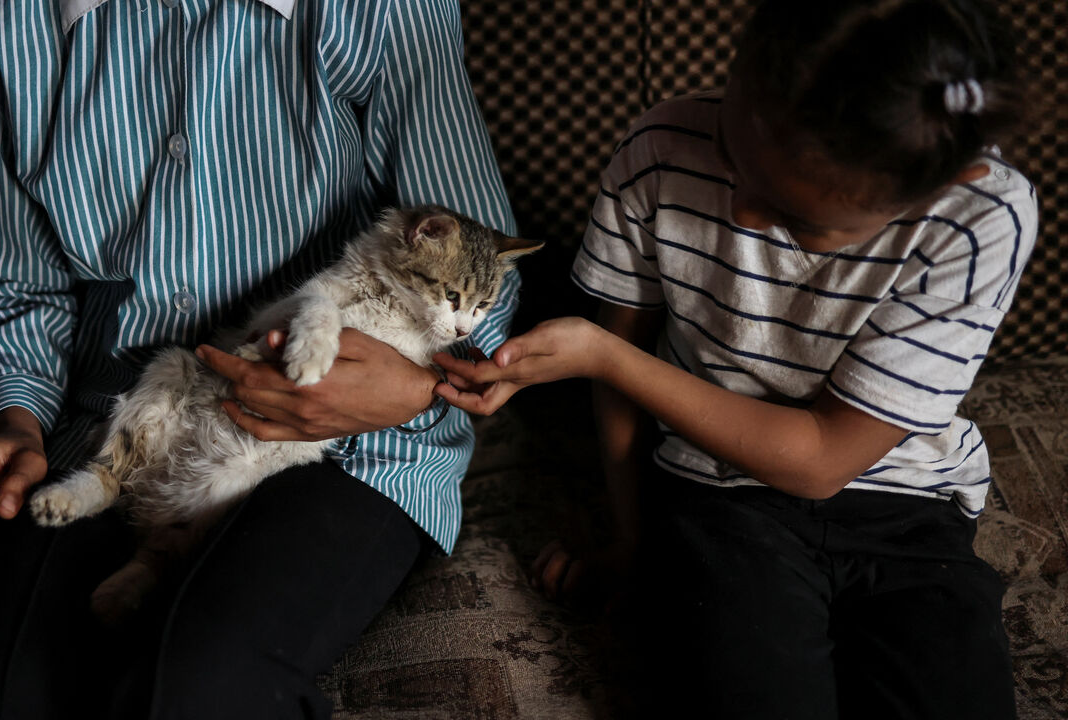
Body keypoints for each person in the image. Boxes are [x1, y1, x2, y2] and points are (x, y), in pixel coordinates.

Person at [0, 1, 519, 718]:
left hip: (359, 444)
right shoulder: (5, 17)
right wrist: (16, 422)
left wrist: (415, 391)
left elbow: (481, 272)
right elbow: (9, 283)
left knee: (201, 688)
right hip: (124, 416)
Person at [434, 0, 1036, 717]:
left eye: (798, 219)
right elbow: (621, 352)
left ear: (942, 186)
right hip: (720, 499)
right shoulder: (661, 143)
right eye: (731, 155)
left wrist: (604, 357)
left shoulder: (980, 219)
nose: (742, 214)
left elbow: (819, 460)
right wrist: (632, 542)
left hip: (909, 510)